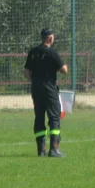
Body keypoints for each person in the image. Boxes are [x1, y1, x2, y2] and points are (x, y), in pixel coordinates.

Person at [24, 28, 69, 157]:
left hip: (36, 89)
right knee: (54, 117)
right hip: (50, 88)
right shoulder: (52, 53)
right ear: (50, 38)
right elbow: (64, 70)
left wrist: (35, 81)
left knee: (39, 117)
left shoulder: (33, 52)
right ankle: (54, 149)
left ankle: (41, 150)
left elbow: (26, 72)